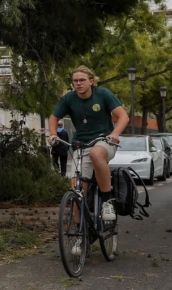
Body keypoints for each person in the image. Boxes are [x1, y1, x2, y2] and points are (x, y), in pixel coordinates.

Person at [47, 65, 129, 226]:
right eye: (75, 81)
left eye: (82, 80)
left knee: (96, 154)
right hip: (80, 144)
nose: (78, 83)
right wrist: (53, 134)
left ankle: (107, 202)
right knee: (77, 190)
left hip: (104, 141)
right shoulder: (69, 98)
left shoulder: (103, 94)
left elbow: (123, 116)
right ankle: (80, 231)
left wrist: (115, 134)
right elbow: (53, 118)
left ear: (91, 81)